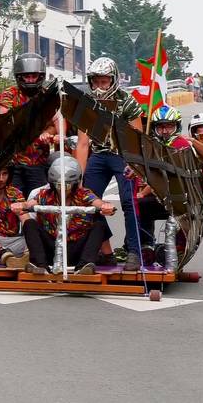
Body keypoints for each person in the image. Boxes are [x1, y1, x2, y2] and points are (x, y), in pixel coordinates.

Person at [75, 57, 144, 270]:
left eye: (104, 82)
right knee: (86, 201)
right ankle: (104, 250)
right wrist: (79, 179)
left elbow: (137, 137)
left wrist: (134, 166)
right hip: (98, 155)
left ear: (113, 80)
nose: (99, 86)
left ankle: (134, 251)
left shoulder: (128, 101)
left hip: (123, 155)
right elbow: (83, 143)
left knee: (128, 201)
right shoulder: (86, 103)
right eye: (95, 81)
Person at [11, 155, 116, 275]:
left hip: (76, 249)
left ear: (76, 183)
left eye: (68, 185)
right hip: (51, 248)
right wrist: (21, 206)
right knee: (29, 223)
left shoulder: (84, 194)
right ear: (52, 183)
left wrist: (105, 206)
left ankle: (84, 266)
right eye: (58, 185)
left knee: (99, 225)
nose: (63, 190)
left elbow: (97, 202)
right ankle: (39, 265)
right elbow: (29, 204)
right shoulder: (45, 194)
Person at [0, 53, 59, 197]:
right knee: (13, 202)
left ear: (41, 76)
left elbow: (55, 123)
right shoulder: (9, 94)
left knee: (38, 202)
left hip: (38, 162)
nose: (31, 79)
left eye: (34, 76)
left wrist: (48, 133)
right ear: (19, 76)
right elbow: (2, 118)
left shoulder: (47, 96)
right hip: (12, 161)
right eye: (27, 76)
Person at [136, 106, 190, 251]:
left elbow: (162, 175)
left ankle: (175, 247)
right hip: (164, 197)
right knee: (139, 206)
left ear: (177, 126)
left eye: (169, 126)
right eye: (160, 127)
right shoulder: (154, 145)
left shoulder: (180, 145)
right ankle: (145, 244)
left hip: (182, 200)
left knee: (140, 201)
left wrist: (144, 192)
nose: (165, 131)